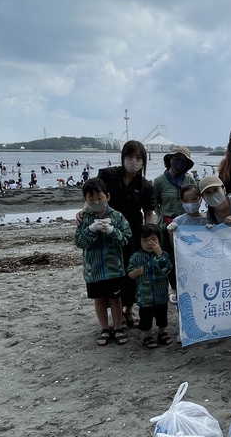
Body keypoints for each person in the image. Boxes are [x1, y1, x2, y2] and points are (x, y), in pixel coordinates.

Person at [96, 140, 157, 326]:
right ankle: (116, 312)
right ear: (123, 157)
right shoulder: (107, 175)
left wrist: (150, 237)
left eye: (138, 158)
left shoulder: (146, 186)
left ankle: (129, 310)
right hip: (108, 232)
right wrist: (84, 211)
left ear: (144, 161)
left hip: (132, 233)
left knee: (131, 272)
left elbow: (148, 213)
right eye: (129, 157)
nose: (134, 161)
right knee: (112, 273)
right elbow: (94, 194)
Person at [74, 178, 132, 346]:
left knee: (115, 299)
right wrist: (91, 230)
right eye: (91, 200)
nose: (96, 202)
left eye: (99, 198)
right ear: (86, 200)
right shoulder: (85, 217)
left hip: (113, 268)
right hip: (93, 270)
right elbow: (79, 242)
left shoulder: (117, 216)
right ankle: (105, 328)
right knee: (98, 299)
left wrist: (112, 231)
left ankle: (118, 327)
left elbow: (126, 240)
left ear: (107, 196)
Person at [152, 146, 197, 304]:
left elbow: (195, 198)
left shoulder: (189, 180)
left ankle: (189, 286)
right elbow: (154, 203)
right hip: (168, 226)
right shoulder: (159, 181)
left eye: (183, 160)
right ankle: (174, 288)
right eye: (176, 158)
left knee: (188, 257)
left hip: (187, 225)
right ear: (170, 160)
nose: (179, 163)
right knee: (170, 257)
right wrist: (161, 217)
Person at [127, 223, 175, 348]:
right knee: (145, 317)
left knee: (162, 316)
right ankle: (147, 336)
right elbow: (129, 274)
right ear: (140, 241)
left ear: (159, 240)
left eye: (153, 239)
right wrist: (135, 272)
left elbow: (167, 269)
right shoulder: (136, 257)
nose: (150, 243)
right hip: (144, 296)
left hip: (161, 294)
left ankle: (162, 333)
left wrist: (159, 254)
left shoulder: (163, 254)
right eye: (146, 240)